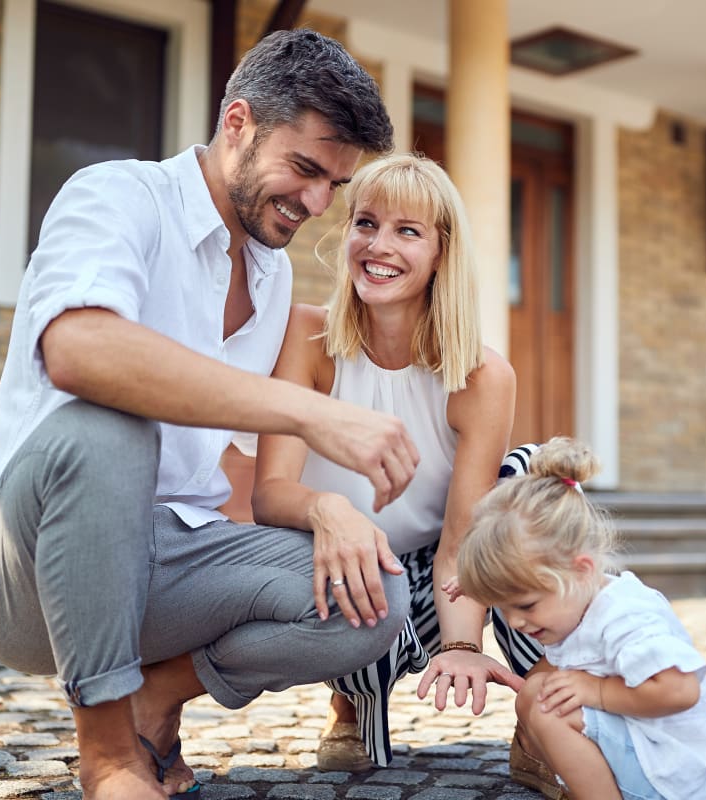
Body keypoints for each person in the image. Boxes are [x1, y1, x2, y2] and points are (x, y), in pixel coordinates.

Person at [0, 29, 421, 800]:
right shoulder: (117, 196)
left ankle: (151, 704)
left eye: (336, 183)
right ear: (238, 123)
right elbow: (79, 350)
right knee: (112, 420)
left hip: (164, 564)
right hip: (25, 571)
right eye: (304, 169)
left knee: (373, 598)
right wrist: (309, 414)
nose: (320, 204)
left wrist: (325, 509)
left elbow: (222, 469)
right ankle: (108, 759)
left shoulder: (268, 275)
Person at [251, 153, 544, 771]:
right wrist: (326, 509)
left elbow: (463, 538)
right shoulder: (306, 337)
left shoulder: (482, 376)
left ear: (442, 253)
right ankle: (352, 707)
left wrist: (464, 642)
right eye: (365, 223)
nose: (378, 245)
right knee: (365, 571)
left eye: (407, 231)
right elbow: (271, 494)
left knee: (529, 490)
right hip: (345, 567)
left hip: (442, 574)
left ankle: (541, 714)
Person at [450, 437, 706, 800]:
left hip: (666, 771)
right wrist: (483, 583)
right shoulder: (575, 600)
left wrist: (595, 691)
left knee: (549, 709)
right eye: (502, 607)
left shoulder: (625, 615)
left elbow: (680, 689)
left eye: (526, 605)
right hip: (641, 745)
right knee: (533, 694)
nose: (515, 622)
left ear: (582, 569)